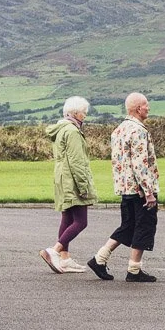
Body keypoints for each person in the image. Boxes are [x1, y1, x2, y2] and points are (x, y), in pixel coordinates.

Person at [89, 92, 160, 283]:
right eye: (146, 104)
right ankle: (134, 270)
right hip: (139, 189)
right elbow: (140, 163)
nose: (148, 108)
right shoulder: (138, 131)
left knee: (128, 226)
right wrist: (148, 191)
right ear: (138, 108)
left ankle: (99, 259)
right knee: (144, 226)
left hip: (125, 188)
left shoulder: (119, 130)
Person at [41, 96, 97, 273]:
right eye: (83, 112)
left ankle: (65, 259)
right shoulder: (72, 131)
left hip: (62, 179)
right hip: (71, 180)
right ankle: (54, 251)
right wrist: (83, 187)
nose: (85, 116)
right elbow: (76, 162)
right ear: (75, 113)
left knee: (67, 219)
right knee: (81, 221)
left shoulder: (61, 129)